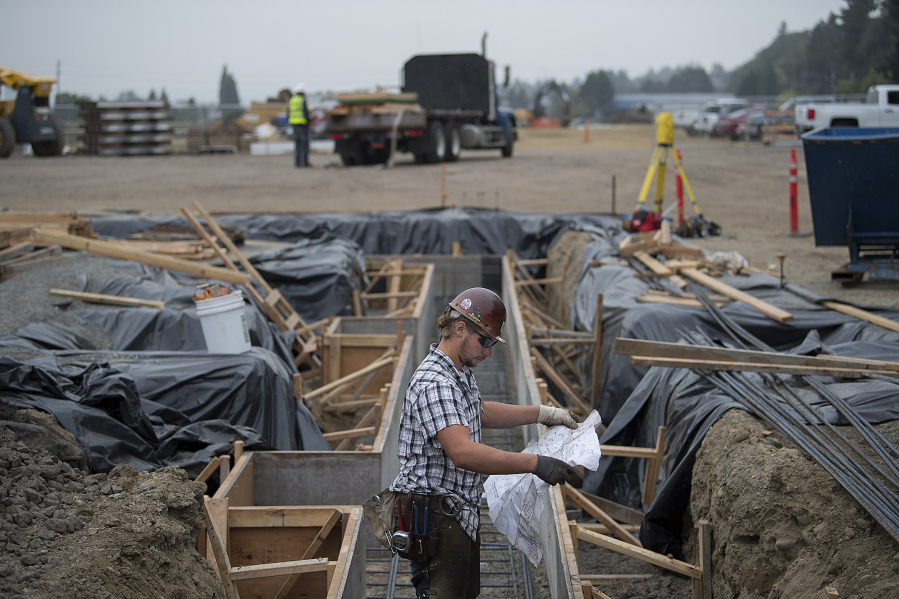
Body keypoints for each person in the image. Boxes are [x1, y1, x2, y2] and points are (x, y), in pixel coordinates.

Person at [389, 287, 580, 599]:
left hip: (455, 511)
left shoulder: (458, 370)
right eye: (486, 341)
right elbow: (462, 452)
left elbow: (480, 412)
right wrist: (535, 463)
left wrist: (544, 413)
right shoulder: (435, 382)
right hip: (435, 517)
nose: (488, 352)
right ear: (460, 328)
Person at [288, 83, 311, 167]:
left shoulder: (291, 100)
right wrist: (309, 121)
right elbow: (305, 113)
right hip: (302, 124)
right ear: (302, 92)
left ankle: (297, 163)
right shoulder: (302, 100)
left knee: (297, 144)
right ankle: (305, 162)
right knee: (304, 144)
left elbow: (288, 113)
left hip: (294, 125)